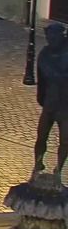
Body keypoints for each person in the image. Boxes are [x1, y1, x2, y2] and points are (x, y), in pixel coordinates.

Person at [34, 22, 68, 179]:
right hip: (50, 102)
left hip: (65, 105)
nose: (51, 40)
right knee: (41, 136)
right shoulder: (45, 54)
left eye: (53, 37)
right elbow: (43, 77)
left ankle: (59, 169)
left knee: (65, 140)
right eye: (49, 37)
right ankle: (38, 164)